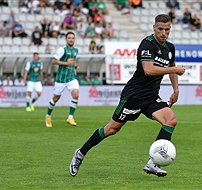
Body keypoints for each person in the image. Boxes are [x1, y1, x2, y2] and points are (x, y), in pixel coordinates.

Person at [69, 14, 185, 177]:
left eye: (167, 30)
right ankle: (80, 153)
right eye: (160, 29)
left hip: (151, 97)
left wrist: (176, 90)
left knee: (170, 121)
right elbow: (149, 70)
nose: (163, 33)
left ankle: (153, 163)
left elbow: (171, 66)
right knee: (111, 129)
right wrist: (174, 70)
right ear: (154, 28)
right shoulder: (147, 44)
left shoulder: (169, 48)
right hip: (133, 96)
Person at [45, 31, 79, 127]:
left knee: (76, 94)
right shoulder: (62, 50)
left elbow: (73, 61)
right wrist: (66, 63)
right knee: (56, 98)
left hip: (72, 77)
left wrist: (75, 66)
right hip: (61, 79)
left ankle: (70, 117)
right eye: (69, 38)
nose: (71, 39)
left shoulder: (76, 50)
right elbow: (54, 61)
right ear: (66, 39)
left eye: (72, 38)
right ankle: (48, 116)